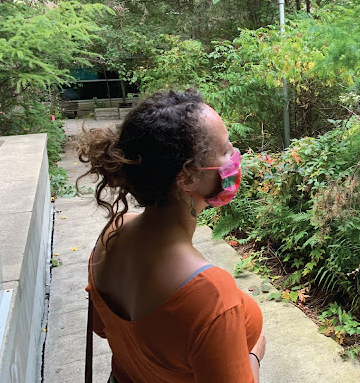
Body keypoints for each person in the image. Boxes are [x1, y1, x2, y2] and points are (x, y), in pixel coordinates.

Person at [77, 89, 266, 382]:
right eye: (226, 150)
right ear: (187, 177)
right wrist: (253, 354)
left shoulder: (111, 235)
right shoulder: (210, 294)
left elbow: (103, 327)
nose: (235, 157)